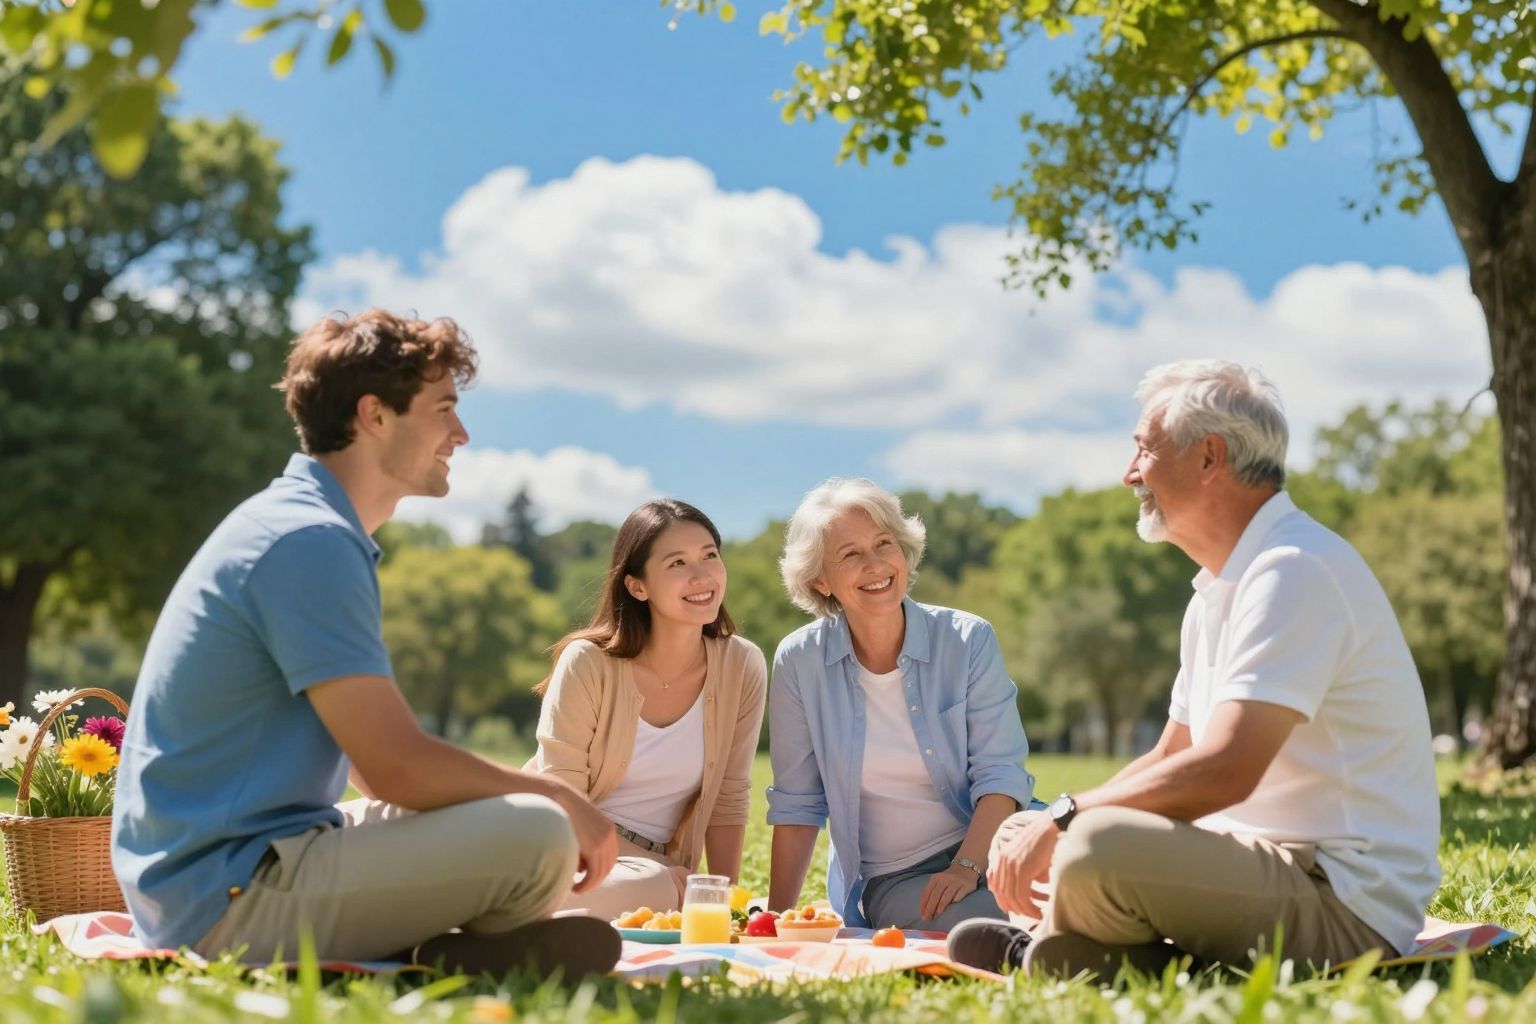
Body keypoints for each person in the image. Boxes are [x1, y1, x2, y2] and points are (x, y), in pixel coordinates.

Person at [112, 310, 621, 977]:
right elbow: (394, 767)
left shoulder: (310, 528)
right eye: (444, 409)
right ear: (375, 415)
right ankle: (442, 950)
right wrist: (557, 795)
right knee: (538, 833)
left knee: (515, 816)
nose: (461, 434)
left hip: (236, 869)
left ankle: (440, 952)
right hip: (224, 903)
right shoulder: (308, 542)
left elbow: (367, 759)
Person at [948, 360, 1441, 978]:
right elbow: (1169, 756)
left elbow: (1225, 771)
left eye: (1144, 452)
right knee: (1024, 827)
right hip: (1251, 864)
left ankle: (1072, 949)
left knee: (1093, 844)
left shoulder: (1294, 569)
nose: (1130, 474)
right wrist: (1047, 824)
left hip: (1340, 902)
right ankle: (1093, 956)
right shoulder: (1218, 588)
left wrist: (1068, 815)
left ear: (1209, 458)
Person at [765, 478, 1037, 931]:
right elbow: (798, 804)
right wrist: (773, 921)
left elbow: (1001, 774)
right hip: (898, 877)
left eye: (883, 544)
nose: (875, 565)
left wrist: (967, 867)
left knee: (1093, 872)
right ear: (820, 580)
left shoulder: (968, 639)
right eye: (850, 554)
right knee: (994, 917)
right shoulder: (800, 661)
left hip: (996, 844)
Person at [527, 500, 767, 919]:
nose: (702, 575)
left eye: (710, 555)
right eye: (677, 563)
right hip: (557, 839)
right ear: (638, 586)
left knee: (652, 889)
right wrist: (667, 871)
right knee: (652, 887)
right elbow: (562, 798)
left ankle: (498, 913)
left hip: (648, 874)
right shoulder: (588, 661)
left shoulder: (742, 666)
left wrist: (722, 903)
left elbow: (729, 795)